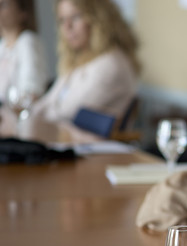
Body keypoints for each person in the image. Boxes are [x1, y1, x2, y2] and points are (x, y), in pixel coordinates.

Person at [1, 0, 140, 141]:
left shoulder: (110, 64)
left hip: (95, 154)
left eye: (76, 17)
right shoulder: (80, 63)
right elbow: (46, 103)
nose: (67, 26)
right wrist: (27, 113)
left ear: (98, 19)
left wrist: (25, 114)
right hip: (71, 143)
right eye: (62, 20)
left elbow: (67, 112)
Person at [0, 0, 47, 105]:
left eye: (4, 5)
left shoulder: (27, 41)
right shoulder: (2, 46)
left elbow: (31, 92)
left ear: (23, 12)